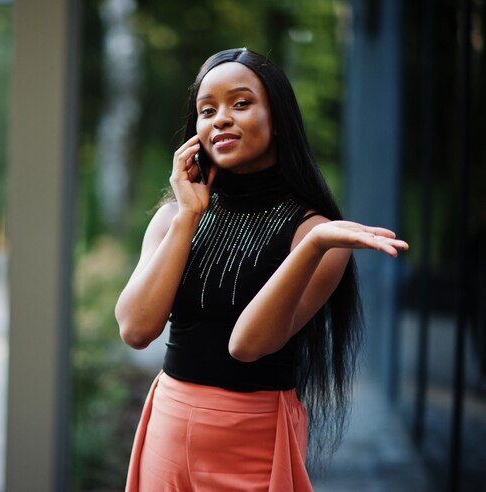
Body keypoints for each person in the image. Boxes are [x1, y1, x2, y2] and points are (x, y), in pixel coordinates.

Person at [114, 48, 409, 491]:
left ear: (278, 116)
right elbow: (136, 330)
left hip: (251, 437)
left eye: (241, 103)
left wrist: (310, 248)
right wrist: (186, 219)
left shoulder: (315, 236)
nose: (221, 119)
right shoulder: (173, 217)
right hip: (168, 424)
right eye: (207, 110)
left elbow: (248, 345)